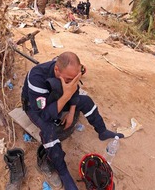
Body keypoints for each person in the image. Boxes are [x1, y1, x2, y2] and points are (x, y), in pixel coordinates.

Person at [21, 52, 124, 190]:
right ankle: (63, 173)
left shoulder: (70, 75)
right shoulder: (37, 78)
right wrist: (66, 95)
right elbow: (44, 114)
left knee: (86, 101)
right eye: (69, 79)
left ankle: (102, 131)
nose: (72, 81)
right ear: (57, 70)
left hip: (57, 98)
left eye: (75, 78)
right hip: (36, 108)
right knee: (49, 130)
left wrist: (71, 111)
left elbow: (74, 89)